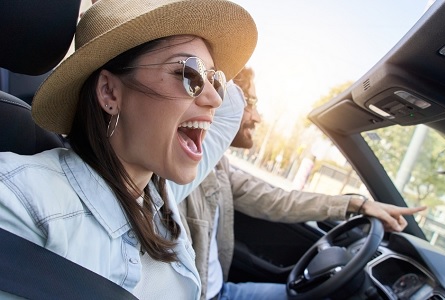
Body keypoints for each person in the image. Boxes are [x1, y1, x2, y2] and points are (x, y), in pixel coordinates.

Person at [0, 0, 257, 299]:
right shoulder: (21, 205)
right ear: (110, 92)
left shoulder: (161, 205)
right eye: (191, 74)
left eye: (215, 79)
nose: (215, 98)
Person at [179, 66, 427, 300]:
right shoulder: (174, 174)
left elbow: (279, 200)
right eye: (250, 103)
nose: (258, 117)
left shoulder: (218, 165)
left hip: (222, 291)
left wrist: (357, 204)